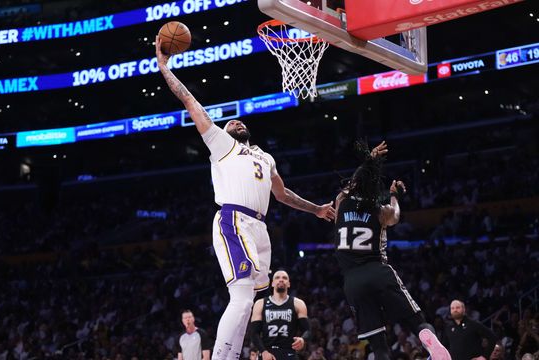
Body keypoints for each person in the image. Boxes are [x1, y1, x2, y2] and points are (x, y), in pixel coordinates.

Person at [155, 38, 336, 360]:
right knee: (239, 297)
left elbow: (282, 194)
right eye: (229, 122)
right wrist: (164, 68)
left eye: (238, 121)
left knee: (248, 300)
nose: (235, 122)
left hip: (260, 228)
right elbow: (190, 102)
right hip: (233, 219)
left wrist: (316, 209)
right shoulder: (222, 145)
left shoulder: (266, 157)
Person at [333, 141, 451, 360]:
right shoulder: (381, 210)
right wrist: (394, 195)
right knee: (418, 322)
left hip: (352, 282)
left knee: (379, 347)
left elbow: (354, 183)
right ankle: (428, 340)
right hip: (378, 271)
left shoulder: (341, 202)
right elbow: (395, 216)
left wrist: (370, 161)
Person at [249, 270, 310, 359]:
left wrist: (303, 339)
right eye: (277, 278)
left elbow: (307, 330)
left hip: (289, 352)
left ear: (289, 284)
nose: (281, 280)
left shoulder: (298, 304)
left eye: (284, 278)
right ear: (272, 283)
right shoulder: (260, 303)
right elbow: (254, 333)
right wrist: (263, 351)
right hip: (268, 352)